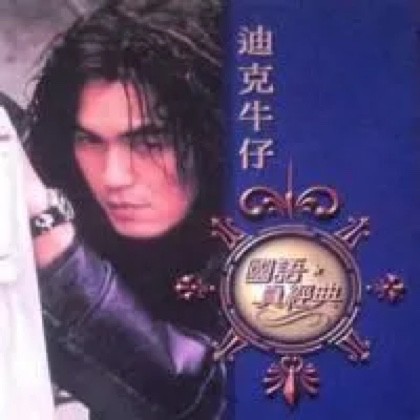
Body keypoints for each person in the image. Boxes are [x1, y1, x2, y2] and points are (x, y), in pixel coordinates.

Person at [11, 0, 226, 418]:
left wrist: (45, 228)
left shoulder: (289, 226)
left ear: (212, 136)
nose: (113, 176)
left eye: (150, 142)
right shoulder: (83, 193)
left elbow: (207, 398)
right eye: (89, 140)